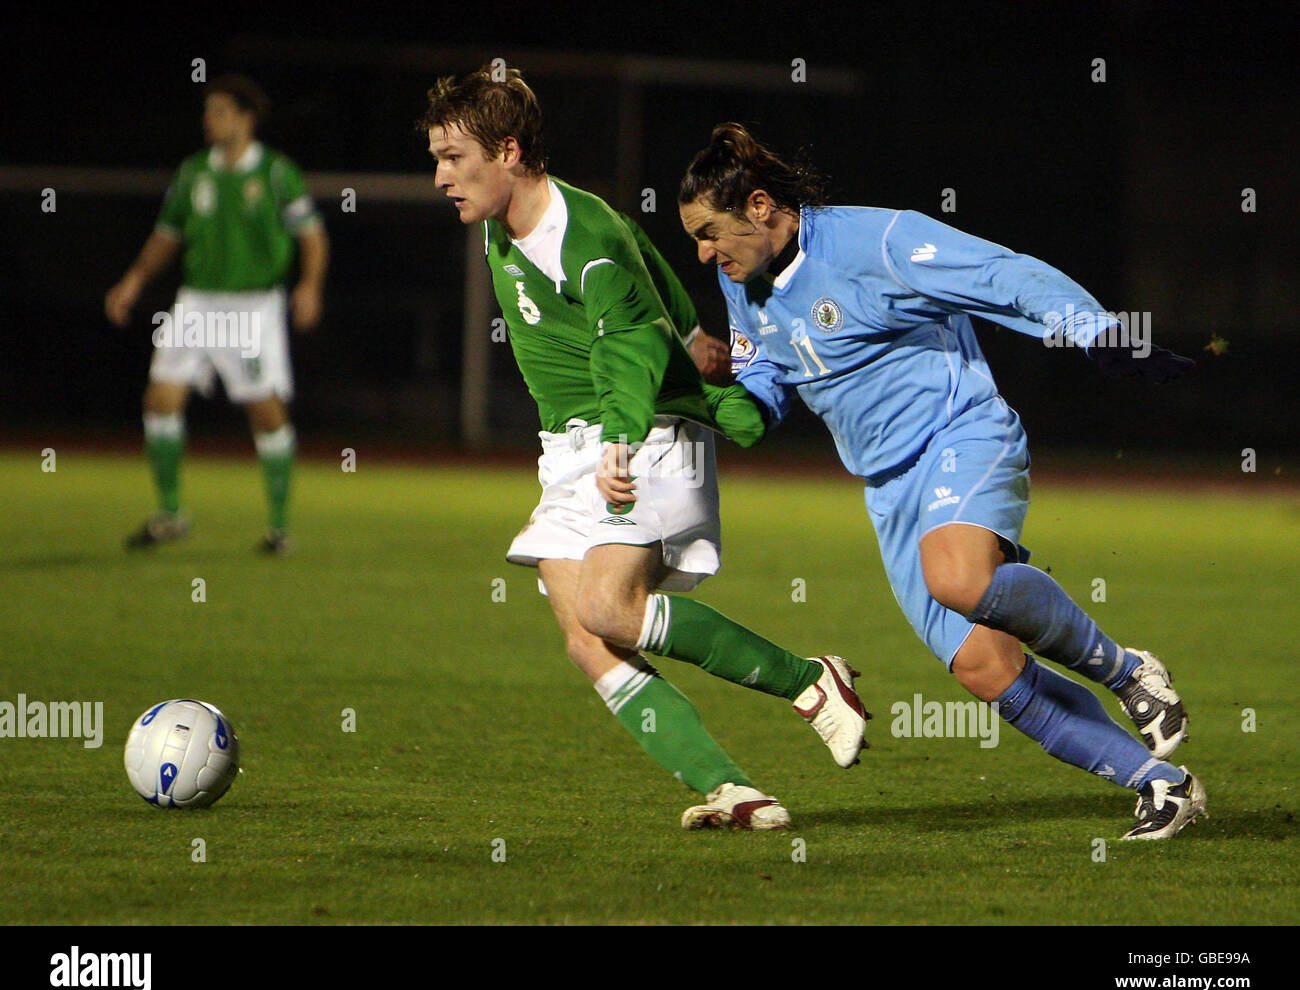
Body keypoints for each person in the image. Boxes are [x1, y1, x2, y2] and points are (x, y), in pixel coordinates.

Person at [676, 123, 1205, 840]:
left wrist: (1095, 329)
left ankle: (1127, 671)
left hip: (962, 434)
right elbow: (767, 375)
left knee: (956, 578)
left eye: (711, 233)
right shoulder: (742, 278)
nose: (705, 254)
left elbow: (1001, 274)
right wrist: (712, 392)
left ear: (762, 206)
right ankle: (1162, 786)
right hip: (888, 487)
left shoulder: (876, 243)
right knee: (986, 670)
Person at [419, 68, 870, 830]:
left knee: (609, 606)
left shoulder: (581, 237)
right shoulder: (517, 220)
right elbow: (644, 263)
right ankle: (729, 787)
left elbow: (625, 346)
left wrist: (623, 438)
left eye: (454, 158)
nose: (440, 179)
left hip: (645, 435)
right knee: (583, 637)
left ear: (509, 150)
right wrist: (695, 337)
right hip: (570, 449)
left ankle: (809, 680)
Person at [106, 74, 328, 555]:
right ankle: (170, 514)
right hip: (197, 302)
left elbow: (311, 235)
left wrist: (309, 286)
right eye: (208, 112)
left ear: (245, 118)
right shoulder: (192, 173)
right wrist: (133, 281)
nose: (209, 121)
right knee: (161, 398)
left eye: (220, 112)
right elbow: (167, 236)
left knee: (265, 411)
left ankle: (278, 527)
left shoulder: (275, 172)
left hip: (253, 305)